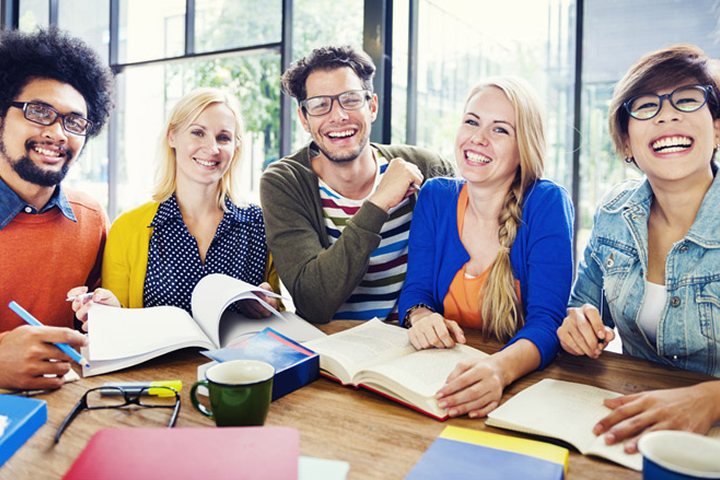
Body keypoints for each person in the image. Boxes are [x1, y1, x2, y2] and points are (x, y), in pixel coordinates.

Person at [558, 44, 720, 453]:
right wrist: (577, 324)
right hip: (634, 424)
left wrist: (709, 400)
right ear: (627, 143)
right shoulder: (614, 214)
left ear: (717, 129)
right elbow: (580, 306)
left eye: (687, 99)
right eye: (646, 106)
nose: (667, 115)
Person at [399, 76, 574, 418]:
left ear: (525, 148)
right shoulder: (435, 197)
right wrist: (420, 317)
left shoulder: (547, 203)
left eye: (500, 130)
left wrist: (499, 370)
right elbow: (416, 289)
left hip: (519, 388)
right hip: (439, 379)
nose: (477, 138)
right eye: (471, 121)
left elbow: (548, 322)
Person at [260, 45, 454, 324]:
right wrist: (378, 203)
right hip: (334, 353)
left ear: (372, 106)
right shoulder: (285, 182)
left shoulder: (428, 168)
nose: (338, 116)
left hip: (417, 345)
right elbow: (313, 301)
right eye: (319, 105)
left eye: (350, 100)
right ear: (304, 119)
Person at [70, 88, 279, 321]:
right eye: (198, 132)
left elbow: (275, 314)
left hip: (239, 358)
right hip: (162, 359)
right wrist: (106, 313)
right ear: (172, 137)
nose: (212, 148)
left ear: (235, 147)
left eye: (223, 137)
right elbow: (116, 322)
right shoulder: (127, 229)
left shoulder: (259, 223)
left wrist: (269, 308)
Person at [0, 27, 115, 390]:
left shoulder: (90, 218)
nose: (58, 133)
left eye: (74, 121)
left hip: (62, 414)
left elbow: (96, 318)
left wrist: (107, 315)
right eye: (39, 112)